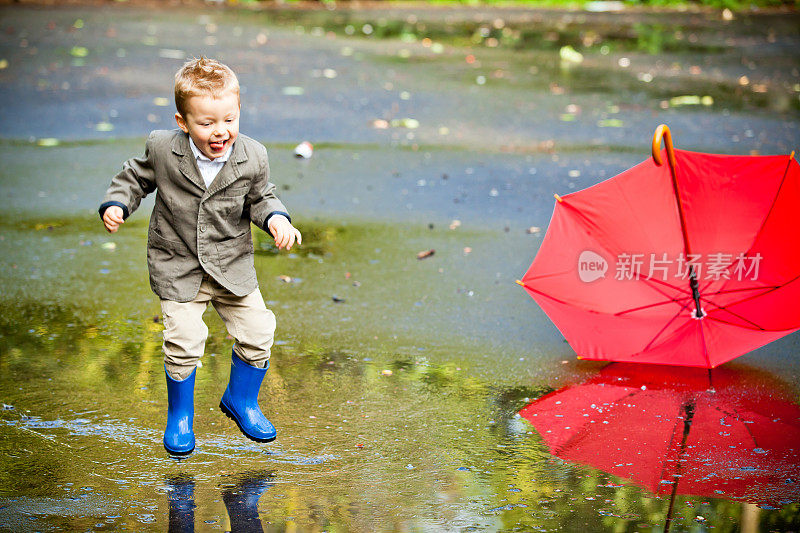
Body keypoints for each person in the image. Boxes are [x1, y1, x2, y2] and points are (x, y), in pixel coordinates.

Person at [99, 57, 301, 456]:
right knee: (184, 340)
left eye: (229, 119)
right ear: (182, 121)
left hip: (230, 264)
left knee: (259, 331)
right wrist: (118, 203)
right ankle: (180, 416)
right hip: (178, 263)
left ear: (238, 112)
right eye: (206, 123)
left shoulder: (253, 155)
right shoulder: (162, 148)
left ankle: (241, 400)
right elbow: (134, 177)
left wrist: (276, 218)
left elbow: (262, 196)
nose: (220, 131)